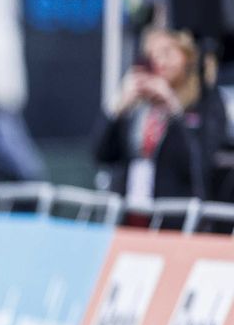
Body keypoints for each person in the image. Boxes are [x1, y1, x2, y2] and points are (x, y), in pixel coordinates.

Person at [94, 27, 226, 215]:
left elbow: (199, 162)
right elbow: (101, 154)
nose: (160, 61)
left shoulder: (206, 102)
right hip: (131, 214)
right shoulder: (140, 106)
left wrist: (174, 109)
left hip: (175, 217)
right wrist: (117, 108)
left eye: (167, 52)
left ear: (187, 56)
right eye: (152, 55)